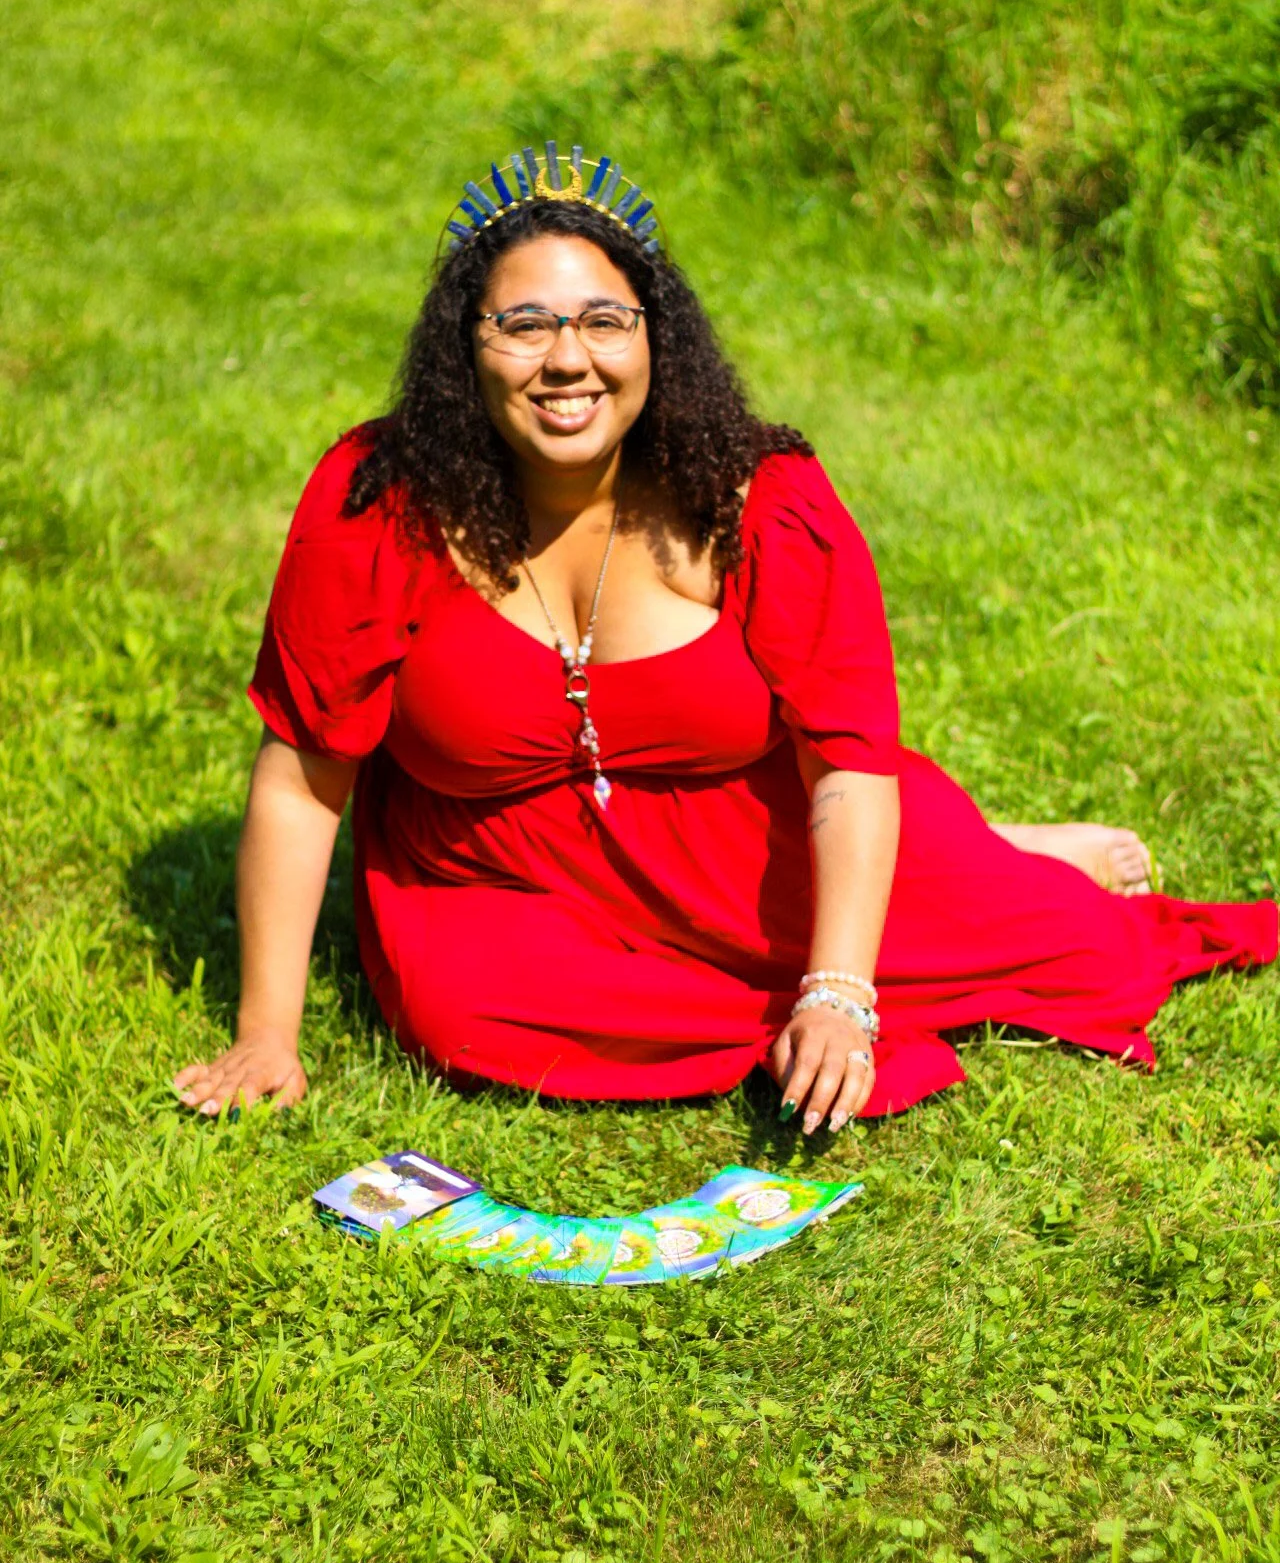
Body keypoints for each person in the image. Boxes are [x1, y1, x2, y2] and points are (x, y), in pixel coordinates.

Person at [172, 144, 1277, 1134]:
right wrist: (267, 1033)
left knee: (1063, 946)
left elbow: (847, 758)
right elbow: (302, 779)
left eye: (604, 321)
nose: (568, 360)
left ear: (657, 336)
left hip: (747, 849)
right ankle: (958, 866)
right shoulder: (378, 501)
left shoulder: (758, 497)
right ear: (466, 347)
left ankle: (1002, 850)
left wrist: (836, 994)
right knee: (463, 1022)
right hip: (497, 873)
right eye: (525, 324)